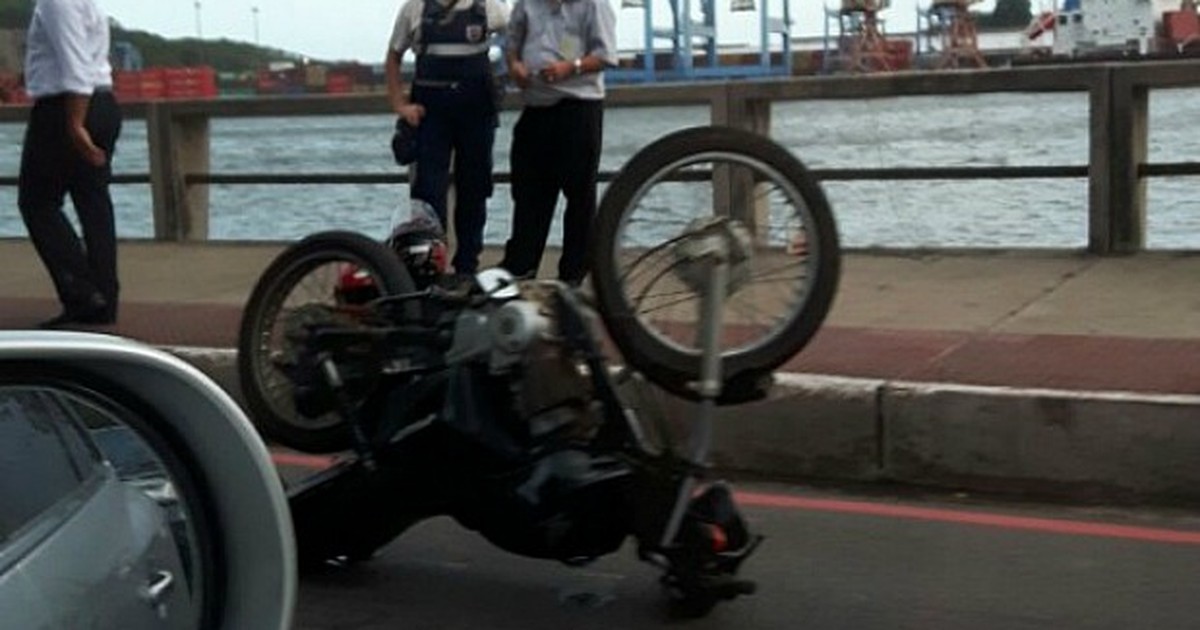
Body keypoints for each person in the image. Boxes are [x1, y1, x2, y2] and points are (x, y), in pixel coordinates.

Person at [384, 0, 509, 277]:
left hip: (477, 114)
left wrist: (510, 72)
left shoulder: (490, 7)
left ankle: (467, 268)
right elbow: (393, 57)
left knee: (474, 190)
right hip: (430, 116)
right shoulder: (414, 9)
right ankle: (428, 272)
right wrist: (401, 105)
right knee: (428, 196)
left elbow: (519, 34)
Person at [499, 0, 617, 287]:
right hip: (536, 109)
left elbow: (606, 55)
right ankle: (520, 267)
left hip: (578, 108)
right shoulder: (526, 4)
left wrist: (571, 67)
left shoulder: (594, 5)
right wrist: (515, 66)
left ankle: (573, 276)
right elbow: (511, 43)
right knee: (528, 193)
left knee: (579, 196)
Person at [19, 0, 122, 328]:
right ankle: (104, 299)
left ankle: (83, 293)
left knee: (37, 202)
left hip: (67, 108)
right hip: (103, 102)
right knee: (93, 201)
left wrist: (75, 123)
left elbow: (75, 66)